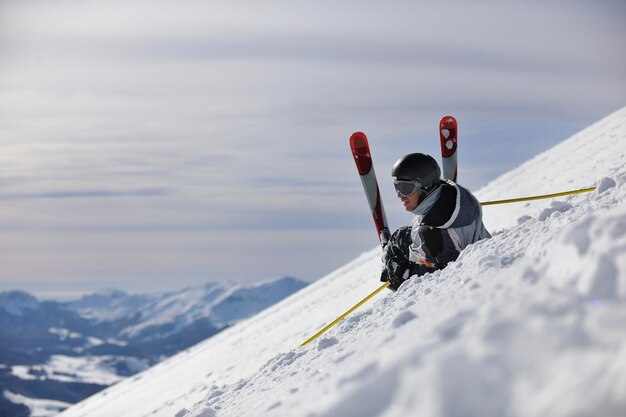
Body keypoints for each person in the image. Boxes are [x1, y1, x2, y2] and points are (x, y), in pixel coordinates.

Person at [381, 153, 491, 290]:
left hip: (463, 276)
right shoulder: (455, 194)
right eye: (396, 187)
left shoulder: (433, 233)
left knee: (397, 267)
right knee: (401, 237)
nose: (399, 195)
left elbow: (442, 281)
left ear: (425, 186)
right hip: (456, 245)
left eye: (405, 188)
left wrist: (398, 280)